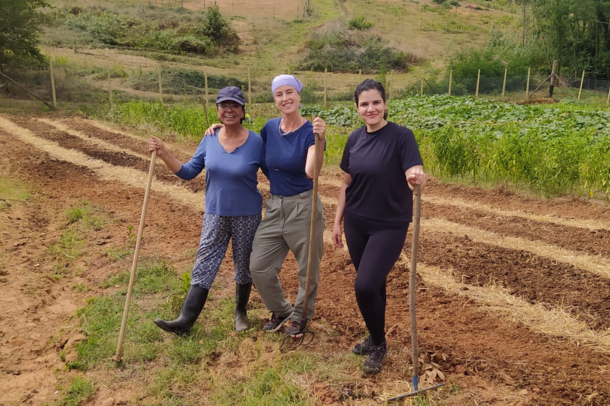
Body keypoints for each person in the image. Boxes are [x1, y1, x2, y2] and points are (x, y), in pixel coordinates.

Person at [205, 74, 326, 337]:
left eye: (289, 92)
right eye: (279, 94)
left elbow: (311, 171)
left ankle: (301, 316)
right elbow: (248, 147)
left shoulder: (310, 131)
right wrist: (222, 128)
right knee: (257, 265)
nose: (285, 98)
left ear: (299, 96)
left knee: (307, 268)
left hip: (304, 207)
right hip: (274, 207)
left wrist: (321, 141)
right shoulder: (270, 129)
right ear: (275, 100)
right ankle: (282, 310)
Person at [331, 79, 426, 374]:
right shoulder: (354, 139)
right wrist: (336, 222)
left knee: (365, 285)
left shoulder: (401, 136)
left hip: (390, 223)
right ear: (357, 108)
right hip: (356, 222)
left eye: (376, 102)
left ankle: (378, 342)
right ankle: (376, 338)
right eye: (364, 104)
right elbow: (346, 184)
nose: (370, 108)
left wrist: (416, 176)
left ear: (385, 104)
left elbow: (414, 169)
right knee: (375, 286)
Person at [150, 86, 263, 334]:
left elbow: (274, 169)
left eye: (234, 105)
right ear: (218, 110)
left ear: (243, 110)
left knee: (244, 265)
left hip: (248, 214)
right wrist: (164, 153)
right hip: (215, 213)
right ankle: (185, 321)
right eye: (223, 105)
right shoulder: (209, 138)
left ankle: (240, 314)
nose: (229, 109)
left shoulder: (256, 141)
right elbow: (189, 172)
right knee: (205, 262)